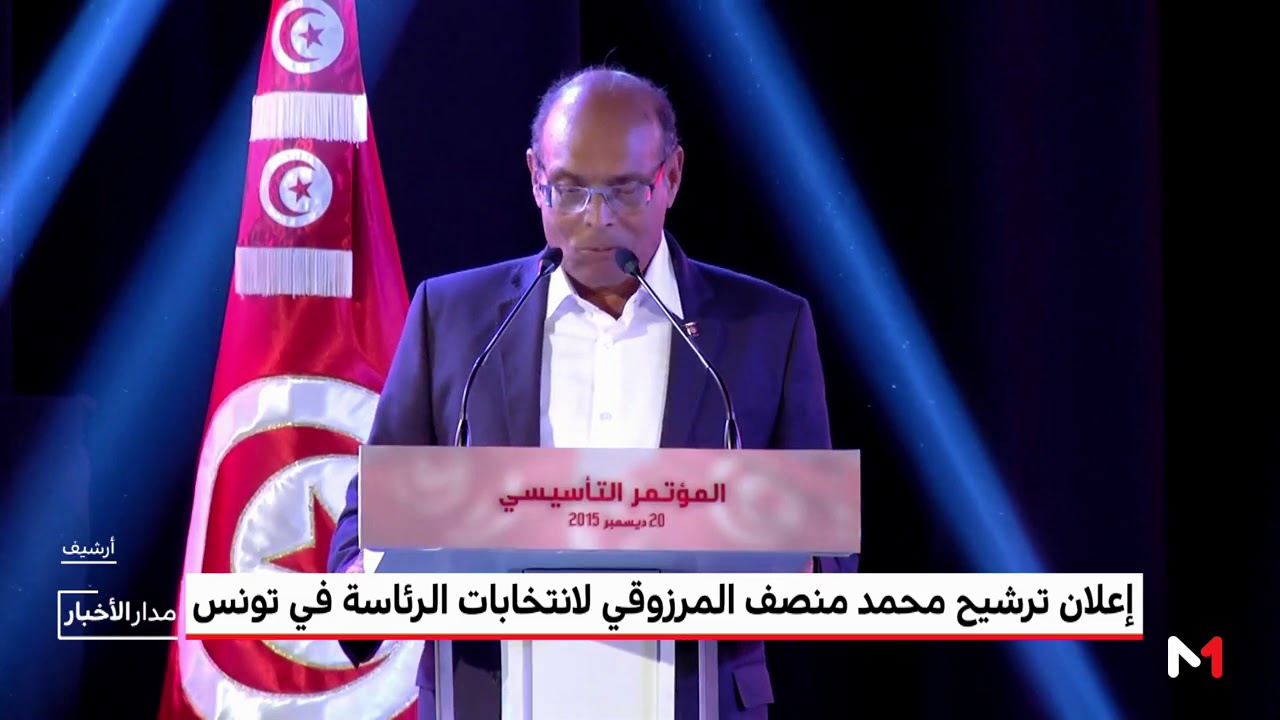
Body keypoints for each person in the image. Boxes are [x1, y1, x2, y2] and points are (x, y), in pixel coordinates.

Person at [328, 65, 858, 720]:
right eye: (570, 190)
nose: (596, 219)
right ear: (535, 177)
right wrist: (365, 583)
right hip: (492, 698)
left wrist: (776, 566)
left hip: (693, 700)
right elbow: (369, 526)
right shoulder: (453, 318)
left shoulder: (765, 328)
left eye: (626, 191)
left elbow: (827, 558)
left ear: (672, 176)